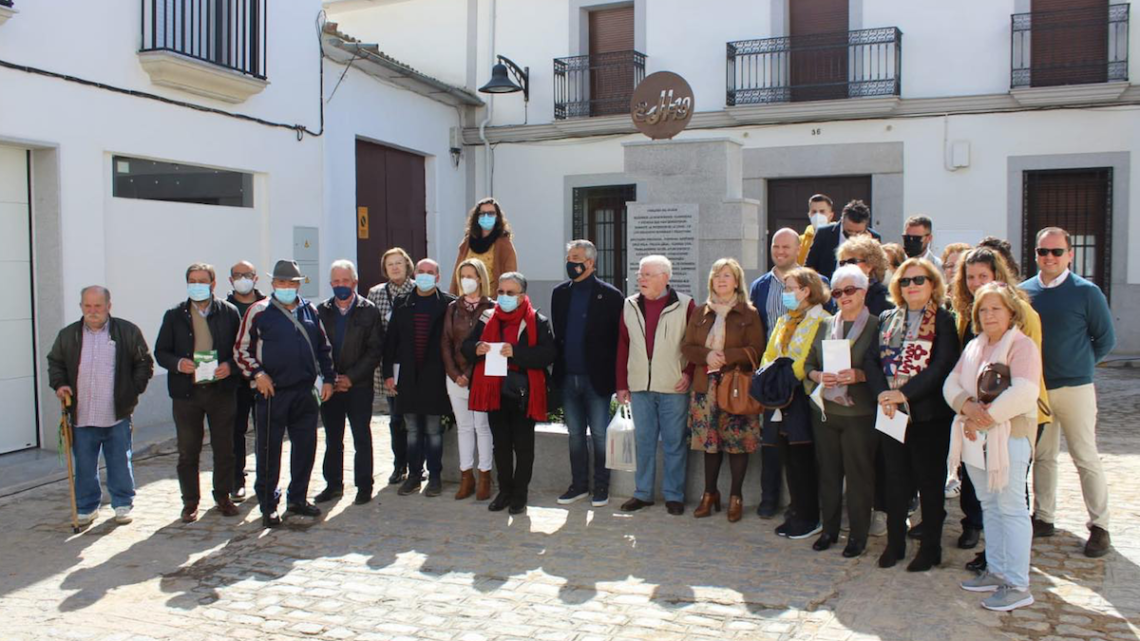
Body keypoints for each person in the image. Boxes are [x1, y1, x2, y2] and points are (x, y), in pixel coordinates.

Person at [947, 246, 1049, 569]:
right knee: (990, 505)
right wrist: (967, 406)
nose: (989, 315)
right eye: (983, 310)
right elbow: (954, 381)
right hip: (979, 432)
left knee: (1012, 506)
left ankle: (1016, 578)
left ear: (1010, 311)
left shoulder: (1021, 337)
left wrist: (982, 416)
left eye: (996, 309)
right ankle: (997, 566)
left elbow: (1024, 388)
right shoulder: (975, 340)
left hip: (1011, 429)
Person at [1021, 227, 1115, 558]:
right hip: (1038, 390)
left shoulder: (1087, 293)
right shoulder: (1024, 292)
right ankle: (1044, 516)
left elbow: (1105, 339)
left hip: (1075, 387)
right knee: (1043, 457)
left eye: (1056, 252)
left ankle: (1100, 525)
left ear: (1069, 255)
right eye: (1043, 252)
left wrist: (1082, 364)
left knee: (1084, 455)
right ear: (1035, 254)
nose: (1049, 258)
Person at [865, 258, 960, 571]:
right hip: (891, 413)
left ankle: (930, 548)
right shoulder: (887, 318)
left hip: (927, 416)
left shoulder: (944, 320)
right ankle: (895, 543)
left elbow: (943, 365)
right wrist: (884, 393)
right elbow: (871, 361)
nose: (912, 286)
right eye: (905, 282)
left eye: (919, 280)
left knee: (929, 484)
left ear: (932, 284)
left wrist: (905, 393)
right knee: (894, 481)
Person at [235, 260, 336, 528]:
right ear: (273, 284)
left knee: (305, 447)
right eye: (281, 283)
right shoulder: (258, 311)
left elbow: (324, 348)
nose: (287, 287)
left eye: (291, 283)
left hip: (304, 391)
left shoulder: (310, 311)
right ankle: (268, 505)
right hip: (272, 393)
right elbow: (241, 350)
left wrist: (328, 379)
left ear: (299, 284)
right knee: (268, 450)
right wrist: (258, 374)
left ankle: (298, 498)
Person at [48, 286, 154, 526]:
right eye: (88, 306)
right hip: (82, 415)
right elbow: (55, 363)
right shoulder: (68, 335)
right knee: (84, 464)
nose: (92, 311)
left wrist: (132, 390)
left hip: (115, 413)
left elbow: (144, 364)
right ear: (81, 307)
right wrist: (60, 384)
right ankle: (86, 507)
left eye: (98, 306)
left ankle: (122, 503)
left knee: (119, 461)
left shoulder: (126, 331)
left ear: (108, 306)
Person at [154, 263, 242, 522]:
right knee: (187, 450)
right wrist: (179, 364)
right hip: (187, 393)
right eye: (192, 280)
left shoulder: (229, 313)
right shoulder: (174, 315)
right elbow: (161, 352)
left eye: (202, 280)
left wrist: (230, 366)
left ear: (213, 284)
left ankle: (223, 496)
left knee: (224, 448)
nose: (197, 285)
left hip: (221, 391)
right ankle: (190, 501)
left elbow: (242, 350)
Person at [803, 265, 880, 557]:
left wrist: (859, 375)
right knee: (828, 475)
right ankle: (829, 531)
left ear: (863, 291)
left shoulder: (876, 325)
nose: (843, 297)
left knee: (859, 477)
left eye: (850, 290)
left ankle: (858, 536)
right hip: (826, 412)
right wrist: (818, 377)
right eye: (837, 292)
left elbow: (884, 368)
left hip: (859, 415)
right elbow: (809, 365)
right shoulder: (825, 325)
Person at [464, 272, 557, 514]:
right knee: (501, 445)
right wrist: (478, 347)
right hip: (495, 391)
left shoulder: (537, 321)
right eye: (501, 292)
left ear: (522, 296)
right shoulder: (487, 317)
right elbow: (465, 346)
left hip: (524, 392)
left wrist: (516, 352)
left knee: (523, 446)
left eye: (510, 293)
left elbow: (548, 355)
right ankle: (504, 491)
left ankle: (520, 494)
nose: (504, 297)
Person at [682, 258, 765, 522]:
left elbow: (756, 350)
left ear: (737, 281)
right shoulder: (700, 312)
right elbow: (686, 347)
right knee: (710, 443)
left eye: (727, 275)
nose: (721, 280)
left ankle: (735, 497)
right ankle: (709, 494)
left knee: (737, 443)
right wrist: (706, 356)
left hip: (736, 386)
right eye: (717, 275)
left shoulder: (748, 313)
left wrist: (727, 357)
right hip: (705, 385)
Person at [616, 255, 696, 515]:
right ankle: (643, 494)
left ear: (665, 278)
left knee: (674, 442)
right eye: (640, 274)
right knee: (644, 441)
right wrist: (621, 384)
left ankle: (674, 495)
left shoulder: (685, 305)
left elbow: (694, 344)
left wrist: (689, 372)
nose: (641, 279)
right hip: (640, 385)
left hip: (673, 385)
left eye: (648, 275)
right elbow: (623, 346)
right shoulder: (629, 305)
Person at [551, 240, 624, 508]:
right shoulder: (559, 293)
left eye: (577, 257)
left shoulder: (611, 295)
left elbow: (618, 340)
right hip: (568, 376)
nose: (571, 262)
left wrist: (619, 380)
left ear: (591, 263)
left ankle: (601, 486)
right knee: (575, 435)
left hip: (597, 379)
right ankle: (579, 485)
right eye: (569, 256)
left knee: (600, 434)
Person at [761, 267, 830, 539]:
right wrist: (767, 376)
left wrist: (788, 377)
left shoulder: (822, 320)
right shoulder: (784, 320)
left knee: (803, 458)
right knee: (787, 455)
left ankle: (810, 516)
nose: (786, 293)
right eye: (785, 288)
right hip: (779, 395)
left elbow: (810, 356)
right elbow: (770, 351)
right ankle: (796, 510)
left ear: (806, 290)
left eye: (790, 288)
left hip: (802, 394)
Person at [383, 258, 456, 498]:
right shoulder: (403, 303)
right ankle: (414, 475)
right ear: (415, 274)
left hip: (435, 377)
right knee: (412, 429)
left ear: (437, 277)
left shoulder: (448, 304)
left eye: (430, 272)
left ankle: (435, 477)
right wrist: (387, 375)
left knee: (434, 431)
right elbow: (391, 341)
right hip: (409, 377)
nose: (425, 275)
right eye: (421, 271)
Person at [315, 260, 384, 506]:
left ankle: (364, 485)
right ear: (331, 283)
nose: (341, 285)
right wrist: (331, 378)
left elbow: (374, 351)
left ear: (354, 282)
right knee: (333, 439)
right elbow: (316, 348)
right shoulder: (320, 311)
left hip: (359, 386)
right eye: (336, 281)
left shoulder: (369, 310)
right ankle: (333, 485)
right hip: (330, 387)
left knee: (361, 437)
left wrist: (351, 378)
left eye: (345, 281)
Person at [748, 228, 803, 517]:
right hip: (770, 376)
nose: (780, 252)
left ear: (798, 249)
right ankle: (768, 499)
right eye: (775, 246)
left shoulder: (814, 281)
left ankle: (799, 502)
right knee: (769, 441)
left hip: (801, 376)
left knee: (798, 442)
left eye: (786, 247)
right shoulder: (760, 286)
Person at [441, 259, 495, 500]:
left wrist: (470, 374)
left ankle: (485, 476)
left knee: (482, 427)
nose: (466, 280)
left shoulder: (491, 308)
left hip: (481, 377)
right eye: (462, 275)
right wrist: (455, 374)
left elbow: (488, 344)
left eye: (471, 275)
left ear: (481, 278)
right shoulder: (453, 307)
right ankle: (466, 476)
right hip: (455, 377)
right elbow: (446, 342)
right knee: (464, 427)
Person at [367, 248, 416, 485]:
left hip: (413, 365)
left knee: (415, 417)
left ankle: (418, 463)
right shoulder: (375, 293)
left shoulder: (418, 290)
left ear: (407, 265)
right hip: (388, 366)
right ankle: (400, 465)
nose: (395, 268)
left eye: (399, 263)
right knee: (396, 417)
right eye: (390, 265)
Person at [226, 261, 265, 501]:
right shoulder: (224, 309)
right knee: (235, 433)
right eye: (238, 275)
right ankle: (236, 481)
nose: (243, 279)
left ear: (255, 278)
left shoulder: (266, 306)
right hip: (234, 382)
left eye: (247, 274)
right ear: (230, 280)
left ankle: (265, 480)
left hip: (262, 379)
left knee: (265, 432)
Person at [449, 197, 518, 296]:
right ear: (477, 217)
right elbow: (456, 273)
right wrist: (452, 297)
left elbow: (511, 275)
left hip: (491, 302)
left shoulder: (504, 244)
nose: (486, 216)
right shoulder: (468, 241)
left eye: (490, 213)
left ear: (497, 217)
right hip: (465, 300)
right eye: (482, 213)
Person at [805, 200, 881, 281]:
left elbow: (878, 271)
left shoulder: (874, 238)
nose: (853, 235)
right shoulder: (824, 233)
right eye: (849, 231)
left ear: (866, 227)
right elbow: (810, 266)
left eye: (858, 232)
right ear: (842, 220)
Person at [836, 235, 894, 317]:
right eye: (842, 263)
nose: (846, 266)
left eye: (852, 261)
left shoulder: (882, 298)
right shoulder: (840, 294)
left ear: (870, 265)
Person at [797, 194, 835, 266]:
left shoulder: (839, 237)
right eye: (814, 212)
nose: (817, 215)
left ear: (831, 215)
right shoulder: (800, 241)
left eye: (822, 211)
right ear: (809, 215)